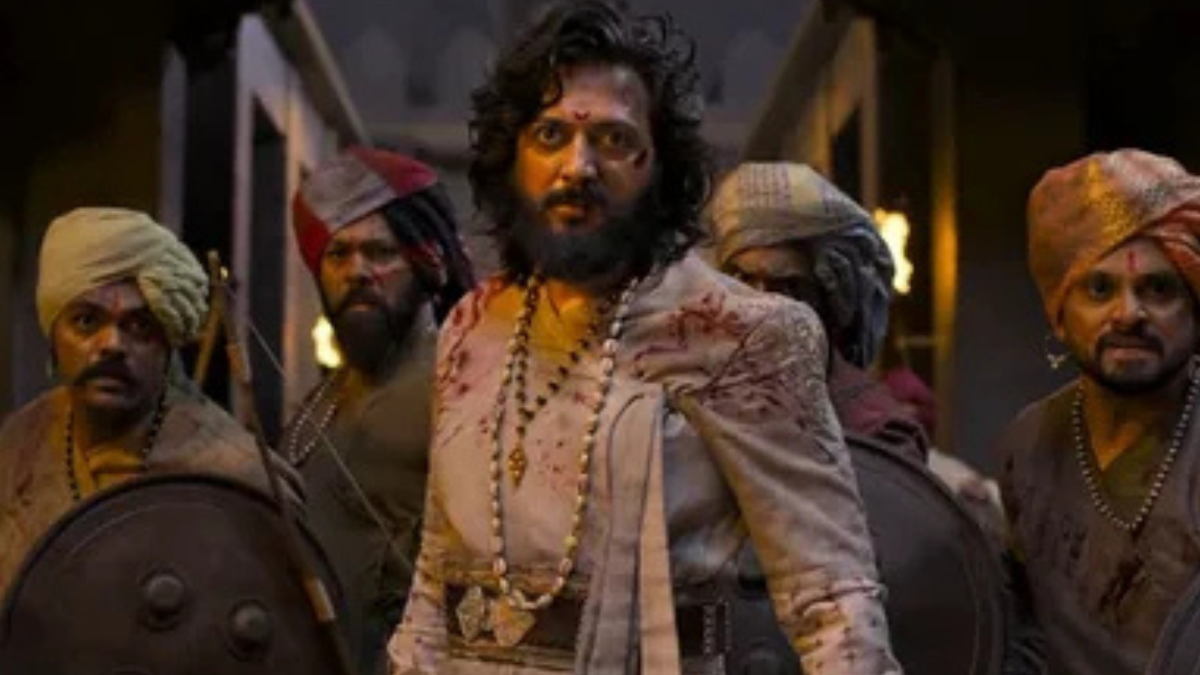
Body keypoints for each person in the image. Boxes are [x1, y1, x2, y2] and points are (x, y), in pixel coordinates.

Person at [388, 3, 901, 675]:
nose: (578, 167)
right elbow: (434, 580)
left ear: (661, 165)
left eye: (613, 139)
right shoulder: (470, 326)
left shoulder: (744, 334)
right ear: (511, 158)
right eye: (550, 135)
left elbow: (834, 599)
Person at [708, 161, 1003, 531]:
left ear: (825, 293)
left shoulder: (877, 429)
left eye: (785, 286)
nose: (762, 304)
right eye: (744, 281)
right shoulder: (708, 394)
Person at [995, 149, 1200, 675]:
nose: (1128, 314)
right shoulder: (1027, 444)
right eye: (1100, 288)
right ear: (1061, 312)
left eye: (1159, 289)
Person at [0, 207, 277, 592]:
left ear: (167, 343)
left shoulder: (236, 477)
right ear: (53, 334)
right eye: (86, 321)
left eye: (139, 326)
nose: (112, 344)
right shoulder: (18, 445)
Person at [283, 147, 475, 675]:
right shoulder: (318, 404)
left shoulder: (467, 391)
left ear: (428, 261)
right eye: (338, 255)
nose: (358, 272)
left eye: (380, 252)